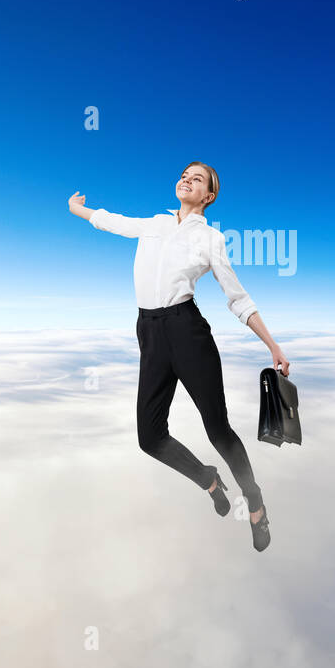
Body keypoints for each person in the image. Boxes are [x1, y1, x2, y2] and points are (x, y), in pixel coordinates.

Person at [68, 162, 289, 552]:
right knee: (149, 438)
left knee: (218, 430)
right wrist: (79, 210)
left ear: (209, 196)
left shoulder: (211, 240)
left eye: (197, 178)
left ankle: (255, 502)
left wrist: (273, 346)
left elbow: (237, 298)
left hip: (188, 333)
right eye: (185, 174)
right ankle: (209, 480)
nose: (187, 179)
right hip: (149, 333)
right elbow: (111, 221)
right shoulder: (154, 224)